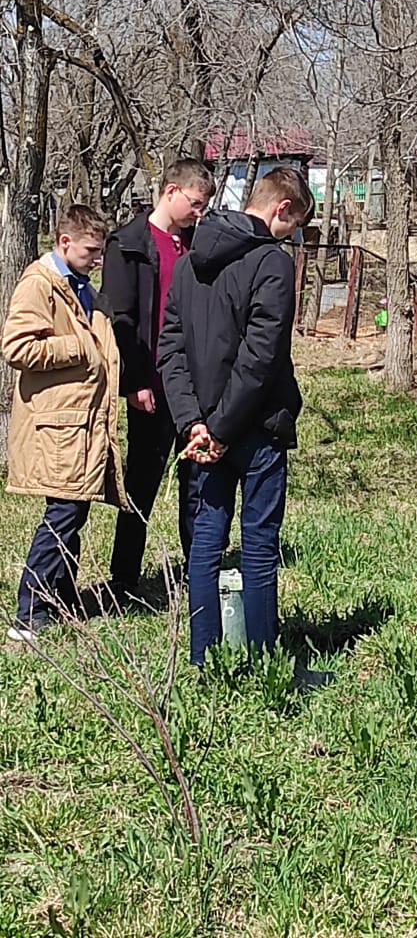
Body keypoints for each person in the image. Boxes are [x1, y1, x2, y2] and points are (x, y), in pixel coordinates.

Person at [157, 166, 314, 666]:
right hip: (254, 429)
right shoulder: (271, 263)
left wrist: (192, 422)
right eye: (296, 224)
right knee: (259, 543)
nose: (293, 235)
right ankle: (265, 662)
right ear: (281, 208)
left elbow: (171, 351)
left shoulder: (188, 263)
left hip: (202, 428)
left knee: (206, 539)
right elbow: (260, 358)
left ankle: (204, 656)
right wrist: (223, 429)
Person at [3, 205, 128, 642]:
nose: (97, 260)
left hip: (81, 422)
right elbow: (16, 347)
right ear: (65, 243)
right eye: (91, 251)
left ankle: (61, 598)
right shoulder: (40, 285)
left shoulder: (80, 286)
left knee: (74, 512)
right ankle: (29, 612)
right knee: (63, 515)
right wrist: (78, 345)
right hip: (58, 424)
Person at [101, 159, 215, 598]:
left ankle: (196, 570)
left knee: (197, 482)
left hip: (192, 383)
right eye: (194, 203)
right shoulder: (128, 244)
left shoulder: (196, 243)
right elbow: (122, 319)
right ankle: (124, 578)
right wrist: (135, 381)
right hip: (151, 382)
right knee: (142, 484)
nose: (198, 213)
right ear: (171, 192)